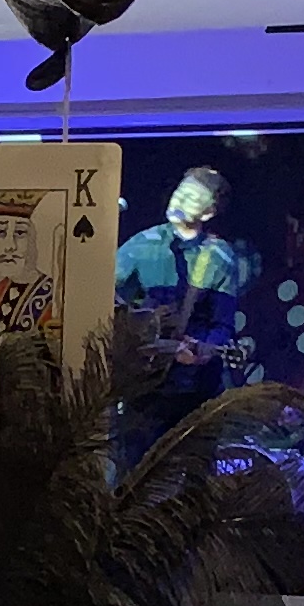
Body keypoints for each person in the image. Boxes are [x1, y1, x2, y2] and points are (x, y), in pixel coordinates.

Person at [111, 164, 252, 466]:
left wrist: (200, 350)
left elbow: (222, 324)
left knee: (193, 476)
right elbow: (104, 294)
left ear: (208, 213)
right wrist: (139, 323)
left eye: (192, 198)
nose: (179, 201)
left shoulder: (219, 256)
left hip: (195, 390)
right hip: (144, 389)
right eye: (179, 193)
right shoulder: (142, 244)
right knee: (136, 473)